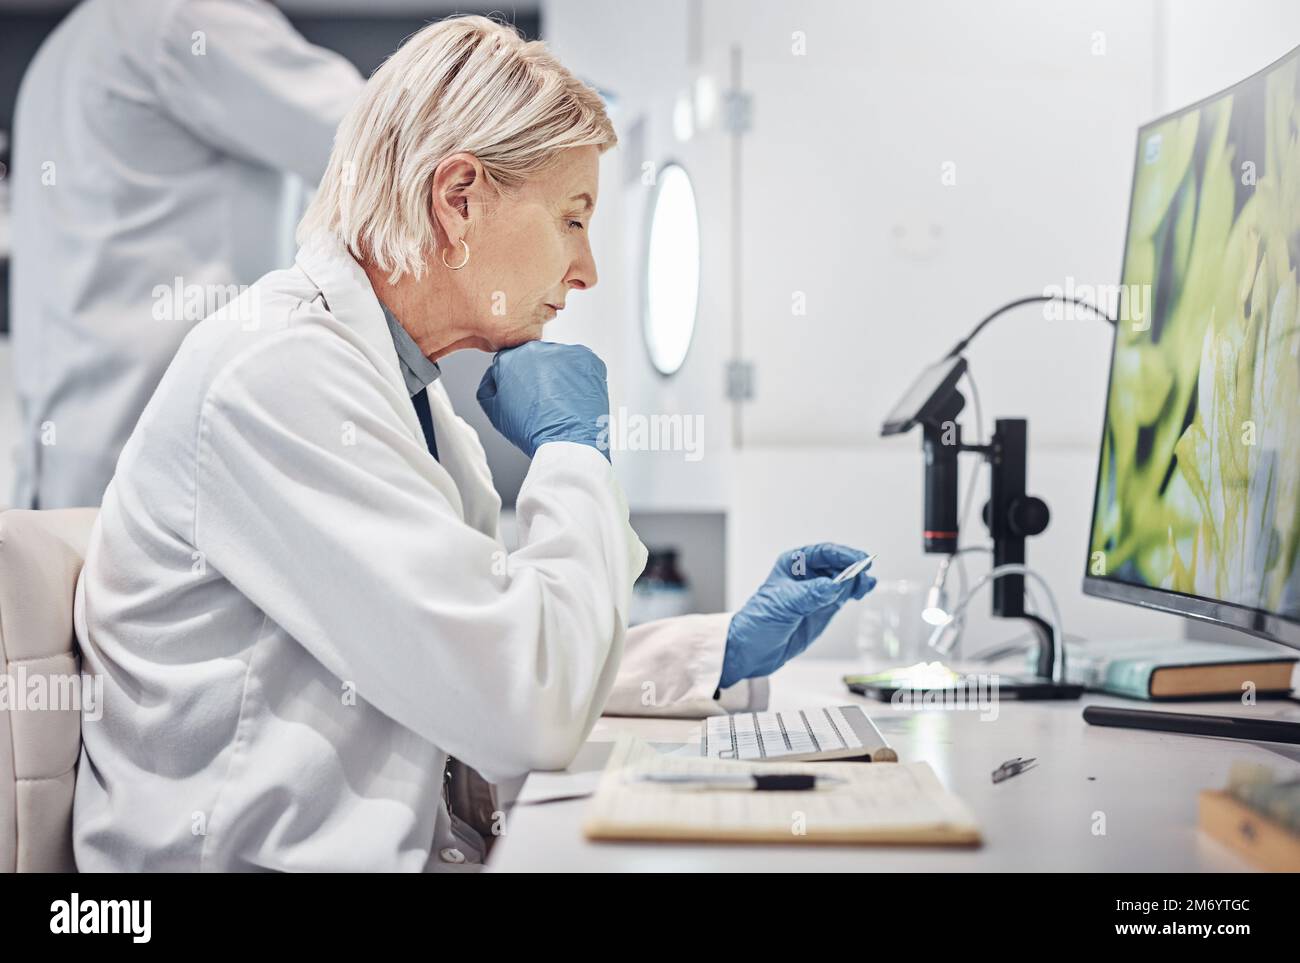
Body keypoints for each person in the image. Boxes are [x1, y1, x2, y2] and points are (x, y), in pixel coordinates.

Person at [72, 15, 876, 872]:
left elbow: (474, 642)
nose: (586, 270)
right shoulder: (278, 374)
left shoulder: (393, 386)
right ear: (459, 200)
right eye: (572, 219)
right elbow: (524, 702)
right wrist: (574, 450)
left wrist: (716, 651)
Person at [9, 0, 363, 508]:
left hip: (66, 460)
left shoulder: (70, 44)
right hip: (155, 457)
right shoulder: (187, 20)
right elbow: (382, 145)